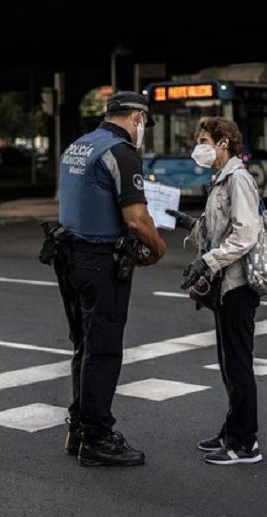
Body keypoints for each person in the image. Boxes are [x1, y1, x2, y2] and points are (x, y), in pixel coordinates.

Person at [49, 91, 166, 467]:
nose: (142, 128)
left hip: (69, 258)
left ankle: (79, 427)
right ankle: (97, 439)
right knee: (104, 350)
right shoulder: (121, 151)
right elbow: (136, 217)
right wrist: (158, 249)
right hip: (101, 261)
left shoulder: (77, 146)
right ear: (136, 118)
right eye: (143, 121)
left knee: (84, 346)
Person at [167, 116, 263, 465]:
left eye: (204, 140)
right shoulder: (221, 179)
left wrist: (209, 261)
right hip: (225, 285)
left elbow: (245, 234)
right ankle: (231, 430)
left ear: (224, 143)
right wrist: (190, 224)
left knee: (238, 365)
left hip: (237, 285)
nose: (199, 147)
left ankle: (245, 444)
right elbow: (217, 229)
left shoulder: (238, 179)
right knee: (228, 364)